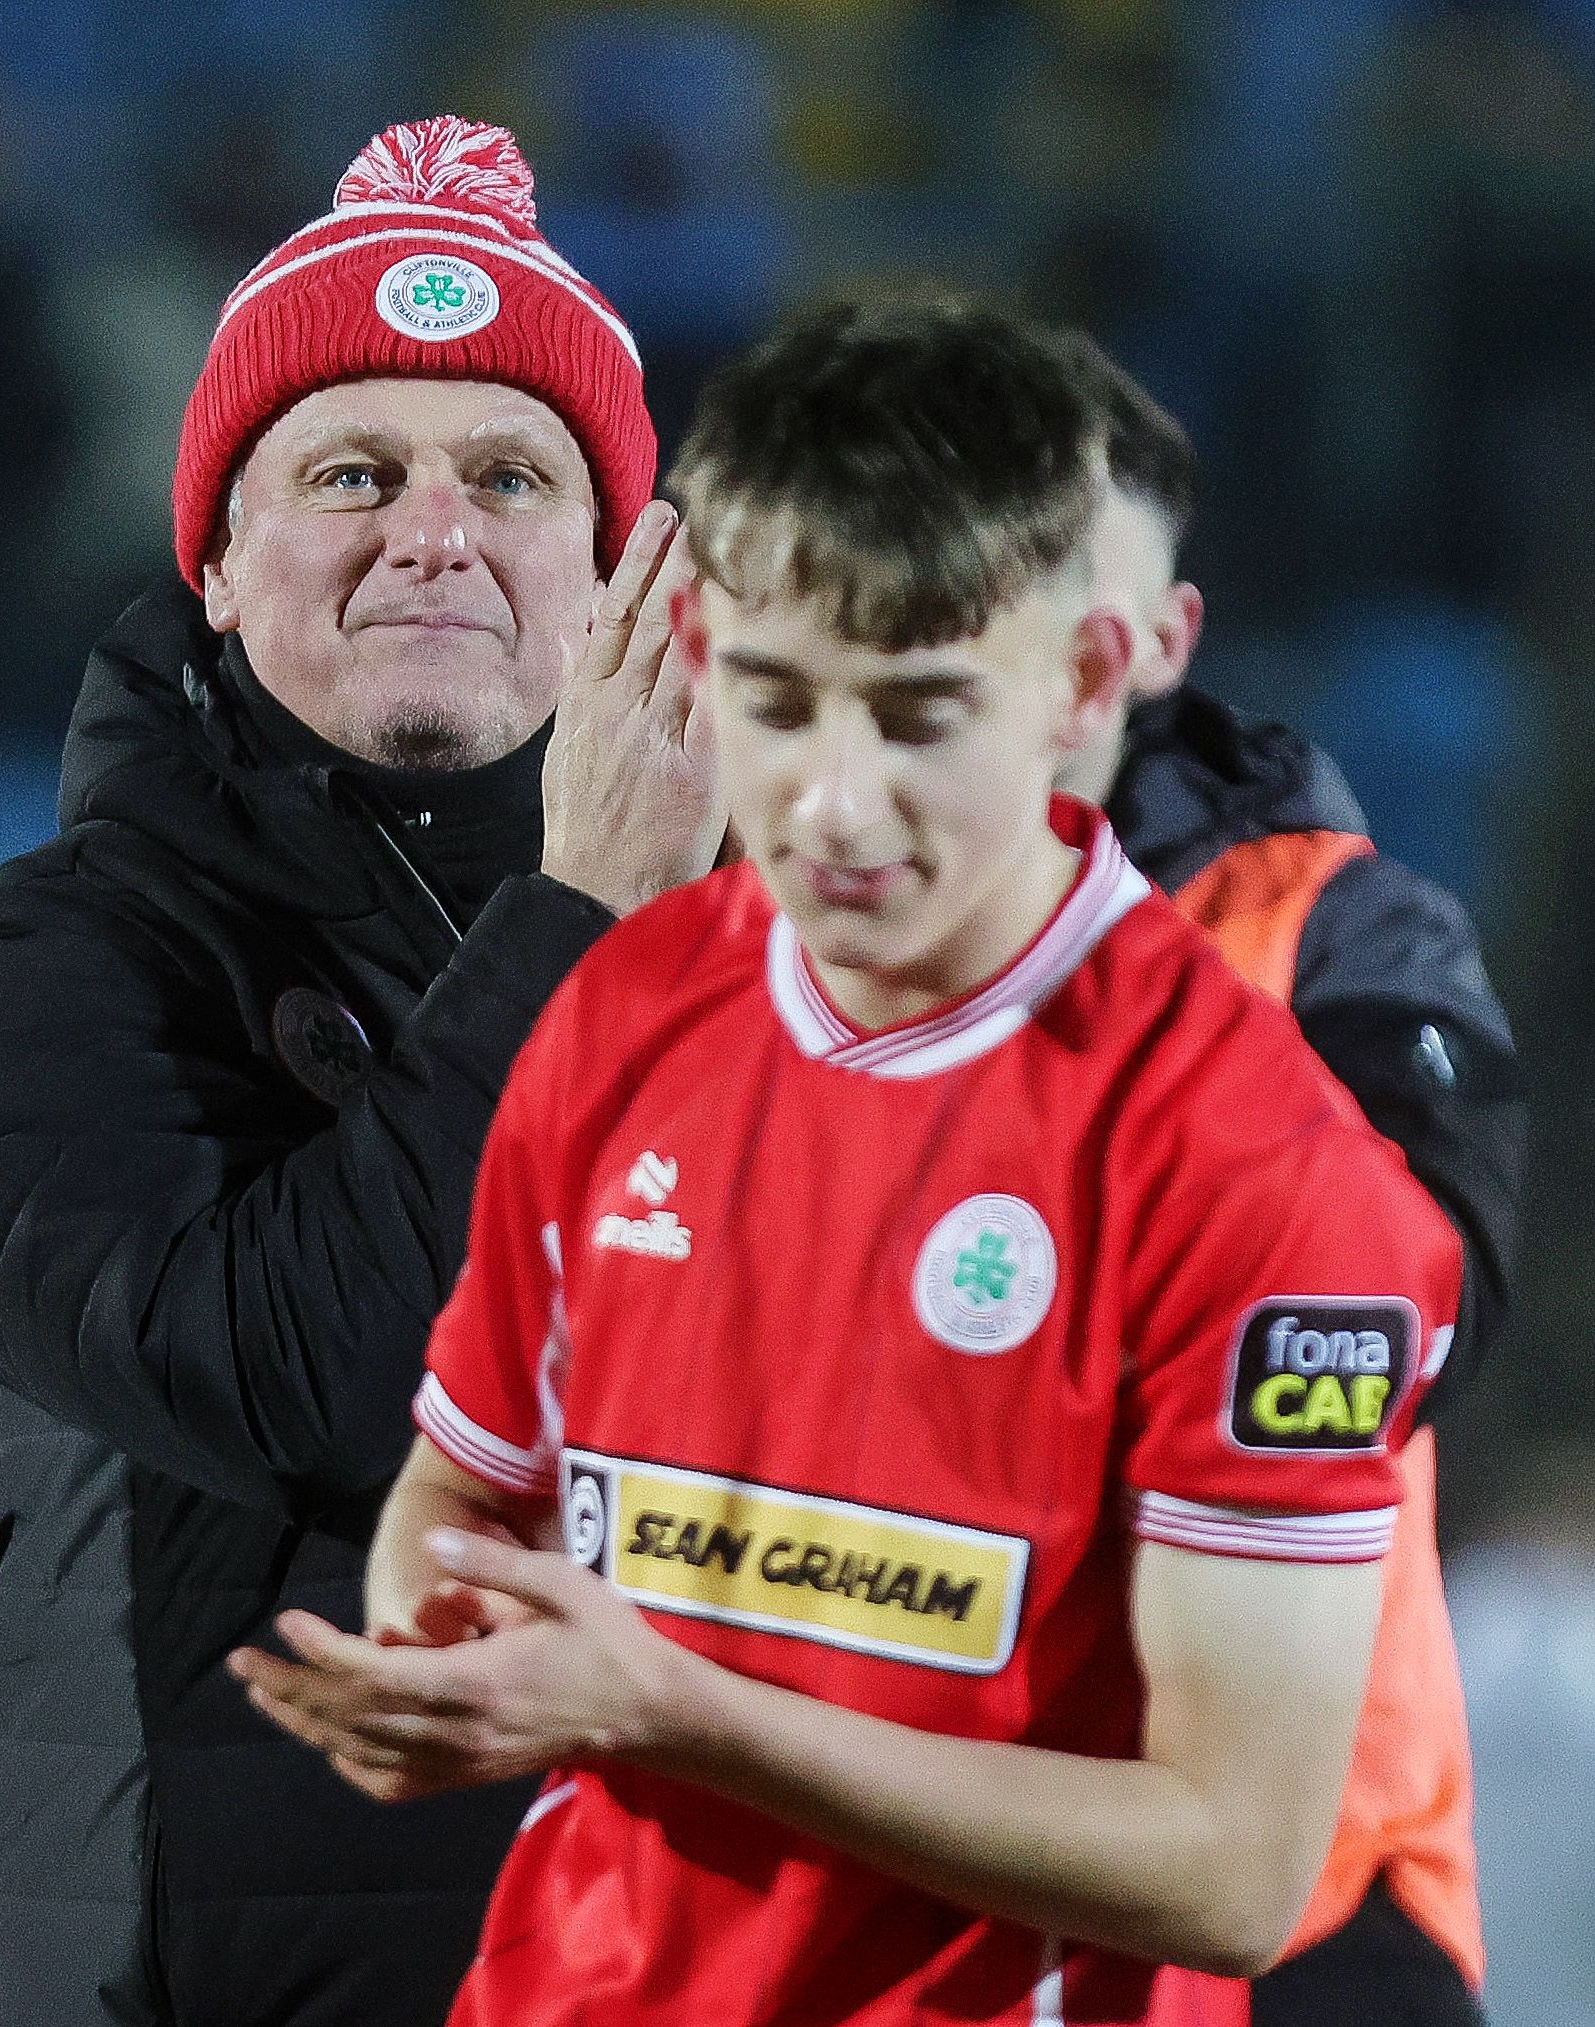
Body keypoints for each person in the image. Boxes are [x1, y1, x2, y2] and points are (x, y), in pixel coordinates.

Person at [230, 297, 1464, 2026]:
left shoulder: (1262, 1168)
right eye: (777, 700)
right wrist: (445, 1657)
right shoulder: (620, 1007)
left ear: (1087, 680)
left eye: (916, 712)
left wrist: (667, 1706)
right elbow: (464, 1488)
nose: (829, 800)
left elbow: (1234, 1868)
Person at [0, 115, 721, 2027]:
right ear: (221, 571)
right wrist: (578, 925)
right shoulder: (29, 983)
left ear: (611, 584)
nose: (435, 529)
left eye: (512, 475)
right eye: (353, 470)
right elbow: (303, 1384)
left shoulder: (765, 995)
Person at [1057, 341, 1526, 2026]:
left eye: (1081, 587)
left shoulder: (1343, 933)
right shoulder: (769, 945)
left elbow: (1411, 1319)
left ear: (1165, 637)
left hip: (1315, 1905)